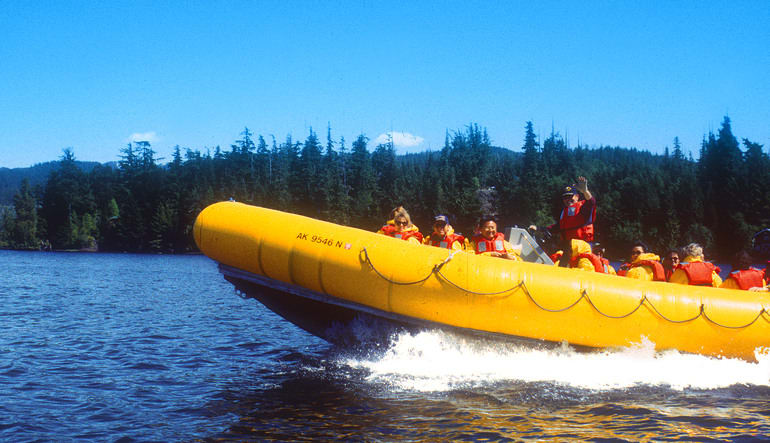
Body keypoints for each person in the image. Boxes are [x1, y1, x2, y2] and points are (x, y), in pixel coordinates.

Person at [530, 176, 596, 267]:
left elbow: (591, 202)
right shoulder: (565, 212)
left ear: (577, 196)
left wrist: (585, 191)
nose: (568, 200)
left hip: (582, 249)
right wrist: (539, 228)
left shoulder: (583, 208)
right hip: (568, 249)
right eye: (565, 198)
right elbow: (558, 227)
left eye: (570, 196)